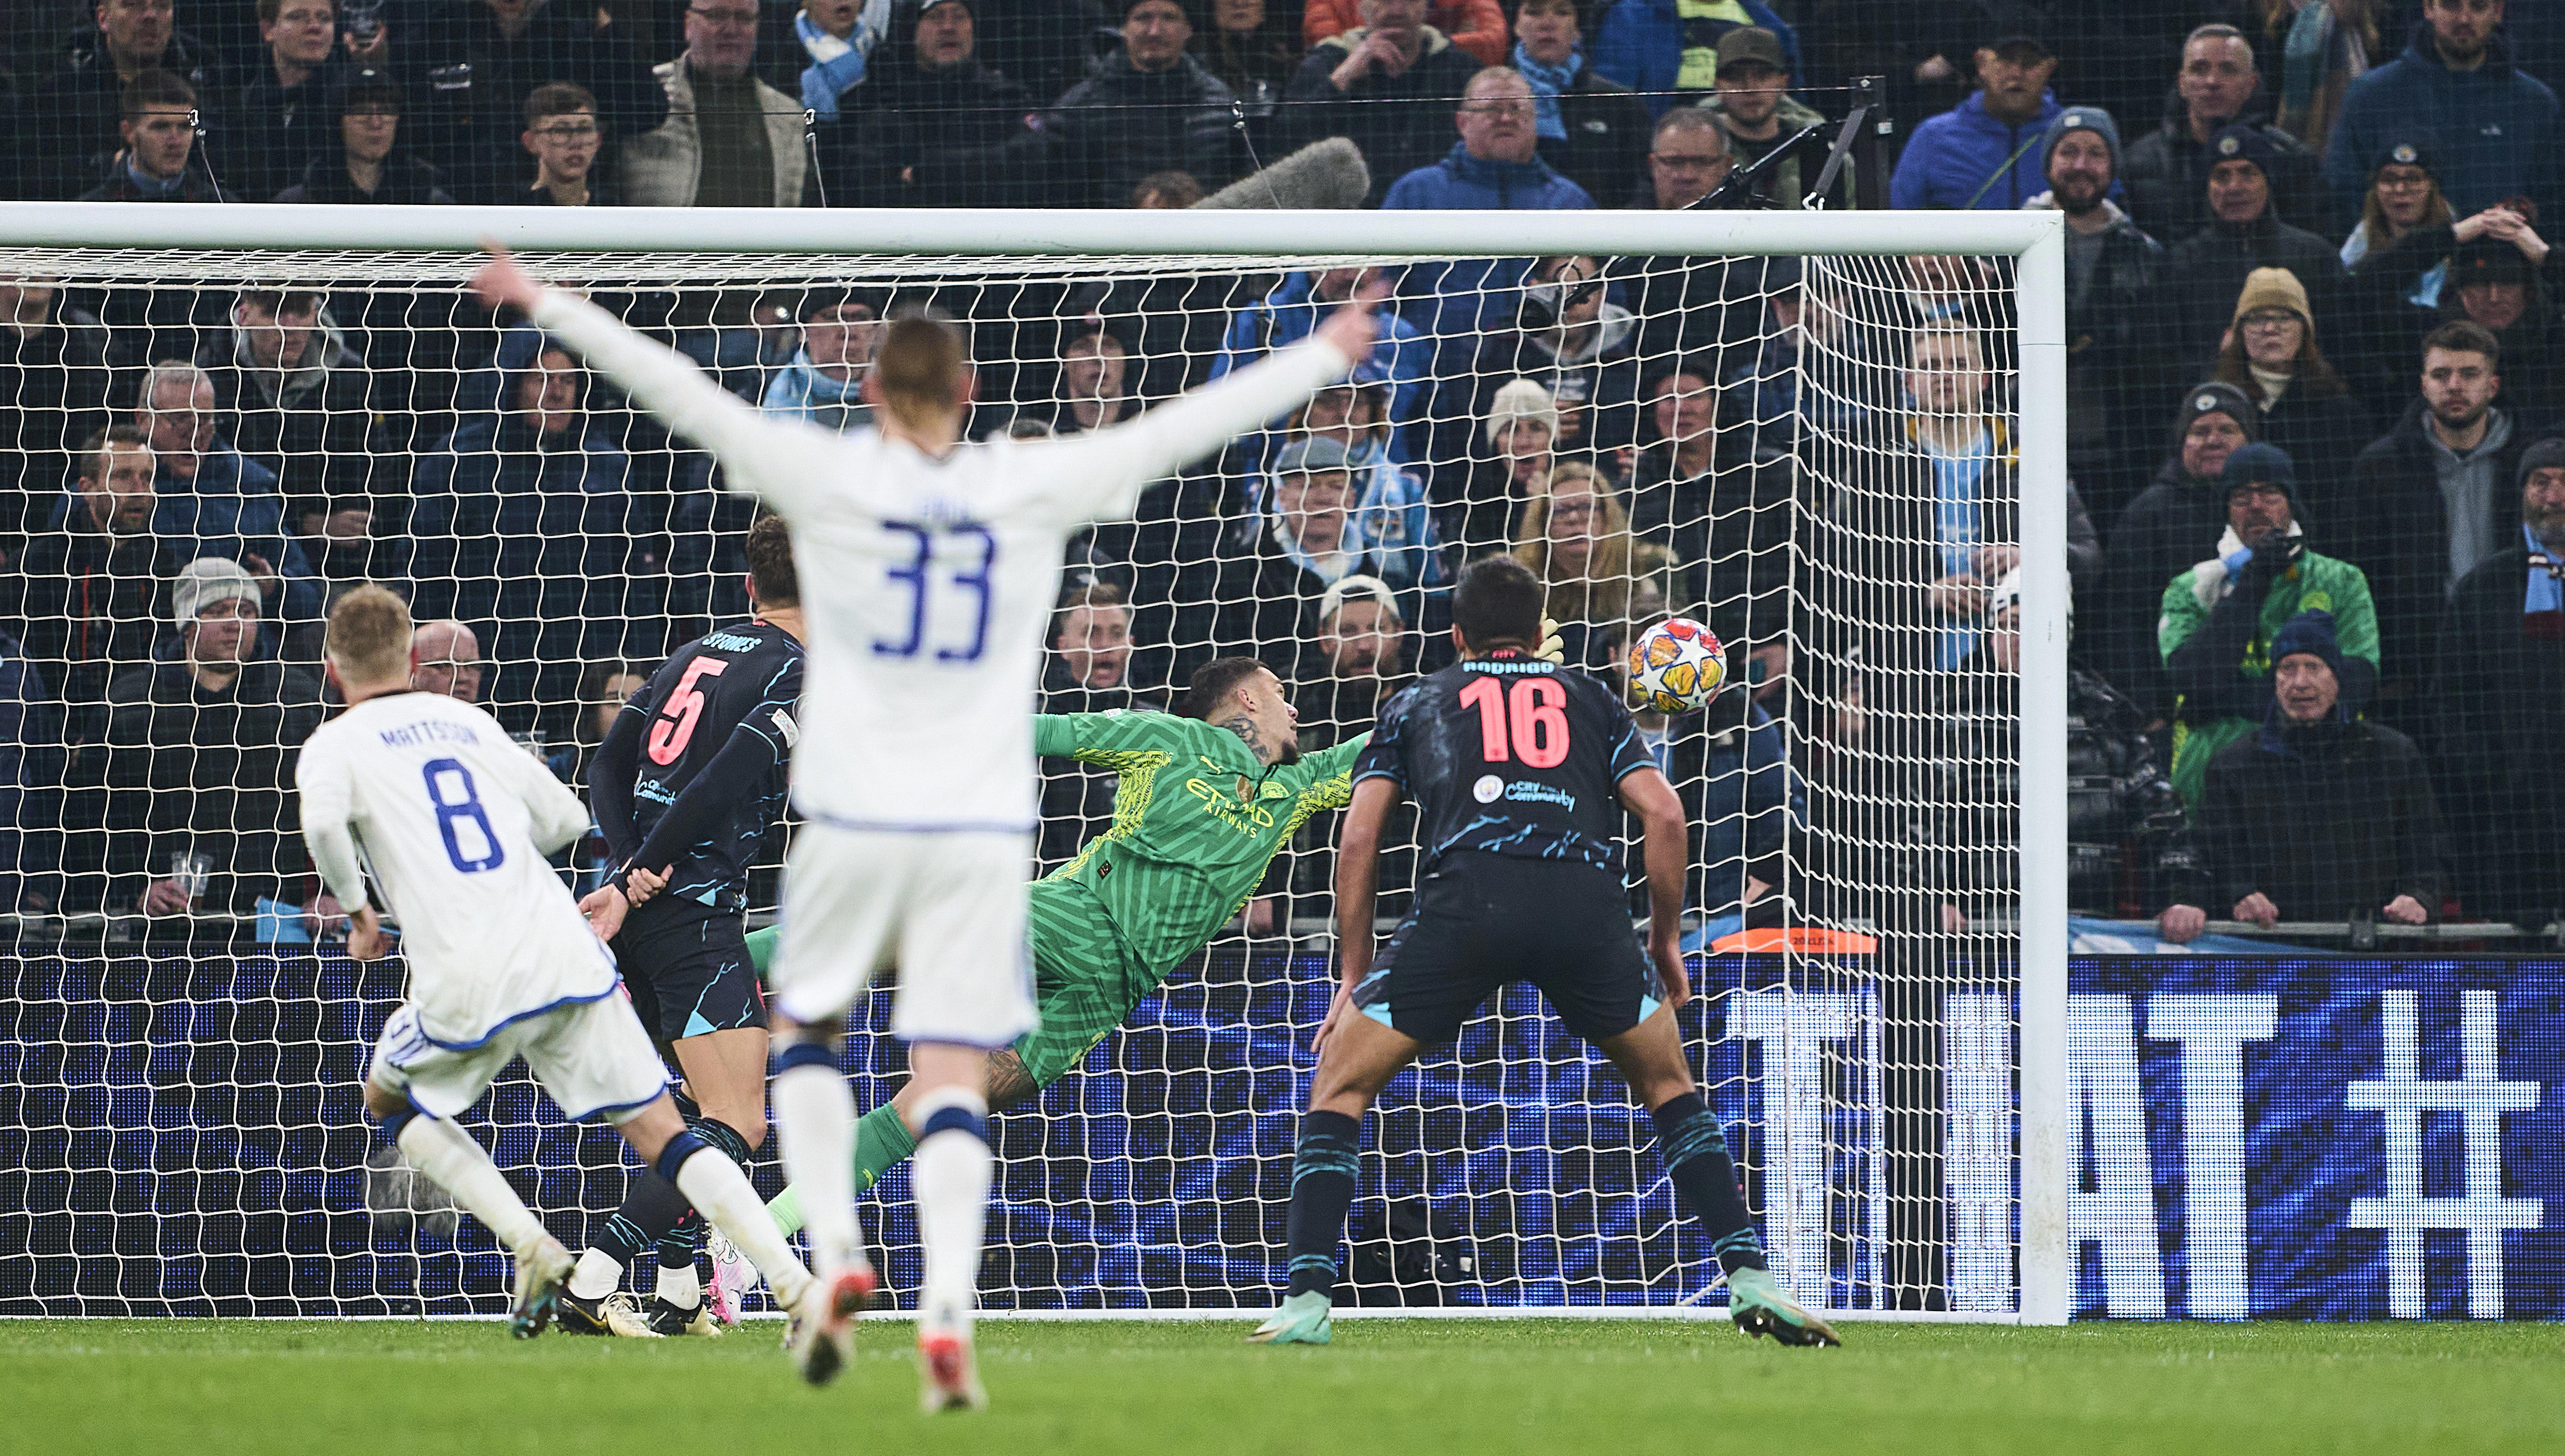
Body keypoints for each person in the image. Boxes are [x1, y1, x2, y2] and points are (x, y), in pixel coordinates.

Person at [470, 241, 1382, 1402]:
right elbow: (1175, 433)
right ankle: (942, 1303)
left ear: (865, 394)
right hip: (972, 828)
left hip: (859, 811)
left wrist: (548, 301)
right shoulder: (1021, 483)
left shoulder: (827, 479)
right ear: (969, 394)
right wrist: (1322, 350)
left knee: (797, 1026)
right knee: (949, 1067)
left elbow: (681, 392)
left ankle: (825, 1255)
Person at [1247, 555, 1835, 1348]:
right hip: (1581, 910)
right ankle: (1751, 1279)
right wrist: (1664, 942)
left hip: (1465, 908)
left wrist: (1354, 972)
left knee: (1339, 1086)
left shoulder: (1418, 699)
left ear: (1455, 635)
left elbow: (1357, 838)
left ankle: (1308, 1303)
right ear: (1538, 635)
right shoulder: (1591, 697)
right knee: (1668, 1084)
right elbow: (1664, 817)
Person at [709, 654, 1373, 1307]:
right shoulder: (1169, 737)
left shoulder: (1297, 787)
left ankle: (747, 1244)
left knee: (941, 1102)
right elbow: (1042, 731)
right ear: (1247, 699)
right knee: (888, 939)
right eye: (1280, 690)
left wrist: (1475, 678)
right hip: (1071, 917)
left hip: (1111, 991)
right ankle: (705, 959)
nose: (1295, 707)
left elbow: (1394, 735)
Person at [295, 585, 819, 1342]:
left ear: (331, 667)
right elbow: (562, 820)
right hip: (569, 943)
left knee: (390, 1097)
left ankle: (544, 1250)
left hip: (493, 956)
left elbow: (321, 822)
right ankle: (791, 1287)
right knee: (670, 1130)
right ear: (412, 657)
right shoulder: (465, 722)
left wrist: (358, 911)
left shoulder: (335, 745)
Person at [552, 515, 806, 1339]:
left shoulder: (699, 649)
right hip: (691, 913)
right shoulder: (801, 672)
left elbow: (606, 763)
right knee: (738, 1122)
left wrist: (626, 869)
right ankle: (593, 1280)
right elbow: (728, 778)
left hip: (642, 909)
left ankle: (679, 1290)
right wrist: (646, 873)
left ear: (749, 586)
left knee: (695, 1109)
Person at [406, 340, 632, 724]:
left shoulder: (607, 465)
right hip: (487, 666)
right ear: (513, 384)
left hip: (580, 668)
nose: (557, 392)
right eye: (541, 379)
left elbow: (630, 576)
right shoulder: (460, 458)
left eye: (567, 380)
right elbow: (423, 566)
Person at [101, 557, 324, 931]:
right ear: (187, 624)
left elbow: (333, 808)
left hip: (280, 922)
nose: (235, 625)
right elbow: (98, 816)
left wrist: (331, 891)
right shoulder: (131, 704)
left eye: (247, 611)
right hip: (165, 929)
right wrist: (137, 888)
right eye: (219, 611)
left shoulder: (300, 701)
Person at [2159, 442, 2381, 806]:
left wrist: (2228, 701)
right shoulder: (2191, 587)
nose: (2256, 506)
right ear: (2227, 510)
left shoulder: (2342, 580)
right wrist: (2253, 582)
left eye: (2269, 493)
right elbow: (2194, 680)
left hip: (2318, 770)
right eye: (2242, 496)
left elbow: (2357, 681)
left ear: (2291, 502)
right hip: (2210, 778)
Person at [2194, 608, 2444, 927]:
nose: (2300, 683)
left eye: (2313, 667)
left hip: (2368, 951)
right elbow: (2214, 851)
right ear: (2274, 680)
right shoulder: (2231, 764)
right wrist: (2239, 892)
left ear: (2336, 677)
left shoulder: (2393, 755)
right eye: (2287, 668)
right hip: (2270, 947)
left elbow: (2427, 843)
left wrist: (2420, 894)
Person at [2345, 320, 2535, 729]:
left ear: (2493, 385)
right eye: (2440, 374)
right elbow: (2364, 572)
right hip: (2415, 672)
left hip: (2515, 660)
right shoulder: (2380, 467)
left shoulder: (2532, 465)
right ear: (2422, 384)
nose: (2454, 385)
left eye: (2469, 374)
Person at [2434, 435, 2565, 929]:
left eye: (2564, 483)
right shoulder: (2481, 589)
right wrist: (2490, 786)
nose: (2553, 497)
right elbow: (2450, 704)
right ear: (2522, 492)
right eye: (2540, 482)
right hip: (2508, 833)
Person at [2026, 105, 2164, 525]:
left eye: (2095, 153)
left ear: (2113, 166)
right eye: (2068, 151)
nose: (2080, 165)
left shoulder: (2145, 254)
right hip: (2026, 451)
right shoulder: (2009, 244)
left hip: (2119, 457)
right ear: (2048, 162)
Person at [391, 0, 666, 205]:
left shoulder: (577, 28)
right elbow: (400, 127)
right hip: (465, 209)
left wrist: (603, 25)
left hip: (566, 209)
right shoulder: (440, 29)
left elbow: (647, 110)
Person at [2101, 382, 2264, 722]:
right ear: (2181, 443)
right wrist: (2145, 708)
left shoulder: (2273, 508)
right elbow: (2123, 619)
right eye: (2200, 431)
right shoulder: (2147, 514)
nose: (2213, 440)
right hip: (2174, 711)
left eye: (2227, 429)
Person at [2324, 0, 2560, 231]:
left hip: (2501, 264)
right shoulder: (2372, 95)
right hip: (2404, 266)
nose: (2464, 18)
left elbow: (2551, 209)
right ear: (2428, 8)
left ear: (2498, 10)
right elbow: (2345, 197)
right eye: (2451, 5)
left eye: (2478, 6)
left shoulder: (2535, 104)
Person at [133, 361, 324, 635]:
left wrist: (275, 587)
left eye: (205, 420)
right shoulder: (113, 488)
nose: (195, 435)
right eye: (180, 420)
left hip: (246, 653)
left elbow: (308, 595)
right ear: (143, 420)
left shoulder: (249, 485)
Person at [2152, 122, 2346, 376]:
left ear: (2268, 181)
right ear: (2207, 187)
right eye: (2221, 176)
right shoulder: (2179, 264)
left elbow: (2341, 347)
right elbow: (2164, 359)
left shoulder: (2315, 255)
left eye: (2248, 173)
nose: (2234, 187)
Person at [9, 426, 174, 722]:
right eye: (123, 477)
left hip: (146, 727)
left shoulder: (168, 566)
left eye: (147, 477)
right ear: (87, 488)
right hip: (59, 730)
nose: (140, 489)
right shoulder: (38, 566)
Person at [818, 0, 1046, 209]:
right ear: (912, 30)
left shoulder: (1008, 99)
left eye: (959, 16)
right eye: (935, 17)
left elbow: (1028, 172)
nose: (948, 27)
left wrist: (929, 173)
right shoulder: (878, 105)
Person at [2122, 23, 2324, 245]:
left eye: (2227, 69)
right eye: (2200, 69)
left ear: (2251, 84)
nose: (2212, 82)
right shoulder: (2138, 161)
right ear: (2182, 83)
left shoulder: (2290, 160)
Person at [1282, 0, 1487, 208]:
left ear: (1426, 6)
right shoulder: (1325, 64)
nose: (1397, 11)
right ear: (1361, 7)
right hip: (1347, 222)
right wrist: (1342, 79)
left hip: (1439, 216)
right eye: (1384, 1)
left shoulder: (1462, 70)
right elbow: (1284, 144)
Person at [1039, 0, 1243, 208]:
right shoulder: (1080, 107)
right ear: (1123, 28)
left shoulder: (1224, 104)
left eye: (1169, 18)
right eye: (1143, 18)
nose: (1154, 31)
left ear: (1188, 29)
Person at [19, 0, 228, 201]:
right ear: (103, 18)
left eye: (162, 5)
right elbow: (26, 174)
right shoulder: (59, 89)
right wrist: (105, 166)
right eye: (132, 4)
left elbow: (233, 162)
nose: (151, 15)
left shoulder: (207, 78)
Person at [196, 288, 383, 507]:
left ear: (315, 314)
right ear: (244, 316)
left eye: (301, 312)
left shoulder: (351, 375)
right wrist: (301, 524)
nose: (290, 328)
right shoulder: (208, 378)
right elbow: (207, 476)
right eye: (274, 313)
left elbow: (379, 465)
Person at [2207, 267, 2373, 504]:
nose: (2270, 329)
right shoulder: (2218, 406)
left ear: (2304, 329)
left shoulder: (2342, 413)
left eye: (2284, 318)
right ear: (2240, 331)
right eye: (2257, 318)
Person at [623, 0, 811, 208]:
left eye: (744, 18)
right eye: (716, 16)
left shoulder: (789, 115)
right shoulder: (642, 96)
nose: (731, 30)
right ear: (688, 23)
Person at [1511, 460, 1678, 669]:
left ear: (1608, 515)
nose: (1575, 518)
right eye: (1561, 510)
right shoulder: (1520, 583)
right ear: (1543, 522)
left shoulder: (1651, 568)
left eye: (1587, 507)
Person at [1889, 31, 2065, 211]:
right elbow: (1899, 223)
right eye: (2005, 60)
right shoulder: (1933, 136)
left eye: (2030, 63)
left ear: (2050, 68)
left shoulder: (2070, 136)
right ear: (1981, 63)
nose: (2016, 73)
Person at [0, 276, 113, 548]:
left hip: (74, 539)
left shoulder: (95, 343)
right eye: (23, 251)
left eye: (45, 253)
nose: (36, 268)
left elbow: (108, 441)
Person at [1505, 0, 1649, 213]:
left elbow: (1640, 187)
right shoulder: (1490, 99)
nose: (1548, 23)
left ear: (1577, 30)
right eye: (1534, 13)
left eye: (1562, 13)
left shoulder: (1620, 103)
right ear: (1516, 26)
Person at [1696, 25, 1847, 210]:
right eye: (1735, 76)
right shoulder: (1697, 155)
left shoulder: (1822, 154)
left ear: (1783, 83)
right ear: (1717, 86)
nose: (1750, 87)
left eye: (1762, 75)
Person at [1585, 0, 1799, 120]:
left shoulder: (1773, 27)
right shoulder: (1631, 16)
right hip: (1663, 145)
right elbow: (1614, 105)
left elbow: (1794, 102)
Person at [272, 68, 457, 204]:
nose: (376, 123)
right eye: (362, 111)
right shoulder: (302, 201)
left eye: (386, 112)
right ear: (338, 122)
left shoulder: (429, 199)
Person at [232, 0, 356, 203]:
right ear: (268, 29)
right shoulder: (239, 104)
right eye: (298, 17)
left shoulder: (352, 103)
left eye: (324, 18)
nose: (315, 27)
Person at [77, 70, 222, 203]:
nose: (175, 141)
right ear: (129, 132)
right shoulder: (91, 211)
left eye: (184, 127)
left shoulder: (220, 208)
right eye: (160, 127)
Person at [759, 288, 882, 433]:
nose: (849, 331)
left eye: (861, 317)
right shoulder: (762, 388)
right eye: (833, 317)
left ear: (876, 331)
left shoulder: (898, 392)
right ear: (803, 331)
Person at [1305, 0, 1507, 67]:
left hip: (1434, 91)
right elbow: (1327, 54)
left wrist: (1426, 45)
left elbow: (1494, 42)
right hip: (1360, 92)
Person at [516, 81, 613, 206]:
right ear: (531, 142)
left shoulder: (613, 211)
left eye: (585, 129)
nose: (576, 143)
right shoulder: (509, 210)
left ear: (598, 140)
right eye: (560, 130)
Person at [410, 618, 483, 703]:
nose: (463, 678)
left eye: (472, 666)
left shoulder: (484, 716)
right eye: (447, 666)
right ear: (413, 668)